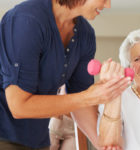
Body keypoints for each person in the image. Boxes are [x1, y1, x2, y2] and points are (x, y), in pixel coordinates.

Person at [0, 0, 130, 149]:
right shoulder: (27, 20)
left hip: (37, 141)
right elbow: (19, 106)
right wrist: (90, 96)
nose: (108, 5)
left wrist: (102, 144)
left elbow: (81, 102)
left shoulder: (85, 35)